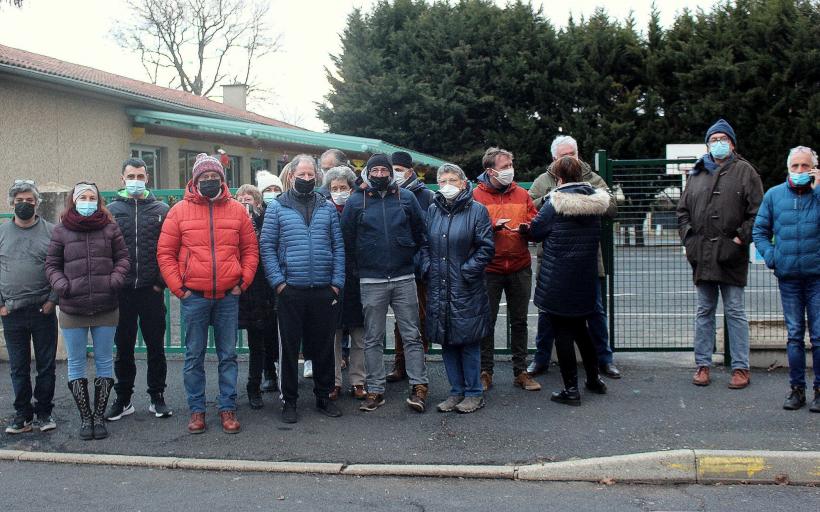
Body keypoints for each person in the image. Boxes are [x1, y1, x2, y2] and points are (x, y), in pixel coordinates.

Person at [157, 153, 258, 435]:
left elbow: (250, 250)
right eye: (205, 178)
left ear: (222, 180)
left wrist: (243, 282)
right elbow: (165, 253)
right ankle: (197, 411)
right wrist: (180, 289)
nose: (210, 181)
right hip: (195, 297)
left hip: (228, 295)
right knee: (194, 357)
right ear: (195, 180)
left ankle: (227, 408)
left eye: (215, 177)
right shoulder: (178, 211)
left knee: (228, 355)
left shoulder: (237, 209)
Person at [677, 119, 763, 389]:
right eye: (713, 139)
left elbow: (757, 212)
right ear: (707, 144)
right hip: (702, 255)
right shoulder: (697, 173)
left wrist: (739, 238)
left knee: (735, 311)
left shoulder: (746, 172)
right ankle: (702, 364)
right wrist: (689, 239)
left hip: (731, 255)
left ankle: (741, 368)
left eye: (723, 139)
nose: (718, 143)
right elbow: (682, 212)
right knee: (704, 310)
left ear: (733, 143)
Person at [260, 154, 345, 423]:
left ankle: (323, 396)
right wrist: (279, 283)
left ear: (317, 176)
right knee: (289, 347)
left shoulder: (327, 207)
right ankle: (290, 401)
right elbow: (267, 248)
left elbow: (338, 247)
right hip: (291, 289)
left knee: (322, 346)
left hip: (323, 288)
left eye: (311, 175)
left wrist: (335, 284)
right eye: (302, 174)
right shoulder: (277, 207)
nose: (307, 179)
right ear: (291, 176)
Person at [341, 153, 429, 412]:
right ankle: (375, 389)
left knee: (412, 335)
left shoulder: (407, 197)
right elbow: (347, 240)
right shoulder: (356, 201)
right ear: (367, 173)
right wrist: (359, 270)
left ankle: (419, 385)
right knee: (373, 338)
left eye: (384, 170)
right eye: (375, 170)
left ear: (391, 172)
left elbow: (420, 232)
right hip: (371, 279)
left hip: (403, 276)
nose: (380, 174)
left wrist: (413, 262)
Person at [527, 135, 620, 379]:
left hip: (587, 262)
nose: (569, 159)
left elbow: (611, 208)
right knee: (547, 314)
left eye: (572, 154)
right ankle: (541, 359)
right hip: (553, 262)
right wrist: (553, 197)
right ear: (554, 158)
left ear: (578, 153)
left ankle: (605, 360)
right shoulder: (543, 181)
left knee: (595, 313)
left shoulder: (594, 179)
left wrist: (579, 198)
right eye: (563, 156)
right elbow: (530, 207)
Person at [45, 182, 130, 439]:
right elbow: (51, 265)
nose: (88, 201)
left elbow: (123, 259)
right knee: (77, 363)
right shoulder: (61, 231)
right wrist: (62, 285)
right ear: (73, 200)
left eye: (92, 197)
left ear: (99, 200)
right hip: (72, 307)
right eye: (83, 196)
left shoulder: (110, 227)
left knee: (104, 361)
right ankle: (85, 418)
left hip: (106, 306)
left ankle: (98, 416)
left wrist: (114, 281)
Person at [752, 146, 820, 412]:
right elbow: (759, 231)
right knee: (794, 336)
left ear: (814, 169)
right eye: (796, 166)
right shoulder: (774, 195)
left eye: (806, 166)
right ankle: (796, 390)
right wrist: (773, 257)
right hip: (789, 276)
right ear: (788, 168)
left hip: (817, 276)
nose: (801, 171)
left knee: (818, 337)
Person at [423, 164, 494, 413]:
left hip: (466, 287)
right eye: (442, 181)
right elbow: (423, 244)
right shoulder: (432, 210)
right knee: (447, 341)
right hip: (439, 285)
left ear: (464, 183)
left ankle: (474, 392)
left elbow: (486, 247)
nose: (448, 185)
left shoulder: (477, 211)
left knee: (469, 340)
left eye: (453, 180)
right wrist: (427, 268)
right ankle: (456, 391)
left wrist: (466, 271)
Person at [105, 158, 172, 422]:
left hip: (151, 290)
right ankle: (123, 399)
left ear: (147, 178)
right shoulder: (110, 211)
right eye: (131, 176)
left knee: (156, 347)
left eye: (140, 176)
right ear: (122, 179)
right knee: (123, 347)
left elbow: (169, 249)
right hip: (122, 292)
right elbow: (105, 250)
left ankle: (157, 397)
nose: (136, 180)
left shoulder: (162, 209)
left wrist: (160, 282)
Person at [472, 147, 540, 392]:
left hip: (520, 266)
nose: (510, 170)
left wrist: (528, 228)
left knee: (520, 321)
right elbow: (469, 228)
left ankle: (521, 371)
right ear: (490, 171)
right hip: (489, 268)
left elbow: (535, 221)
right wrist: (491, 226)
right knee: (486, 322)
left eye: (511, 165)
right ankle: (485, 371)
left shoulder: (522, 194)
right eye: (504, 167)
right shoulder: (475, 196)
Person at [1, 180, 58, 434]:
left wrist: (52, 300)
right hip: (11, 312)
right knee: (18, 366)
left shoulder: (52, 232)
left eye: (29, 200)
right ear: (12, 203)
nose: (24, 205)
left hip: (42, 310)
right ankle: (22, 415)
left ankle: (44, 412)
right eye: (20, 201)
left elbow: (60, 268)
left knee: (46, 365)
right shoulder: (2, 233)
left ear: (37, 203)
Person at [386, 150, 434, 383]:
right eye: (392, 169)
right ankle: (399, 362)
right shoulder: (384, 194)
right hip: (397, 266)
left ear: (410, 171)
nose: (395, 174)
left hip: (419, 267)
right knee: (400, 319)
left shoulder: (425, 196)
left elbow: (427, 230)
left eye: (399, 170)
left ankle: (418, 361)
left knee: (421, 317)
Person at [324, 165, 367, 400]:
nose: (339, 191)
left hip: (358, 276)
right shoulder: (324, 210)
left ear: (352, 189)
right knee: (333, 333)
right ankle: (334, 381)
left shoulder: (361, 207)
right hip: (332, 278)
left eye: (343, 187)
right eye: (334, 188)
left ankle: (358, 381)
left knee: (360, 333)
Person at [235, 182, 278, 409]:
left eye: (249, 198)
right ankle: (229, 389)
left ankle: (257, 384)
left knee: (259, 339)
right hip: (236, 285)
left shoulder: (265, 221)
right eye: (240, 198)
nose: (244, 202)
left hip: (260, 286)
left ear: (258, 202)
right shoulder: (231, 221)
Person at [253, 170, 283, 392]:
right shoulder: (254, 215)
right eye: (267, 190)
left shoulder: (287, 211)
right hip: (260, 281)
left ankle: (285, 370)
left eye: (276, 190)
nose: (272, 194)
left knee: (284, 328)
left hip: (284, 278)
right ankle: (269, 372)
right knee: (264, 329)